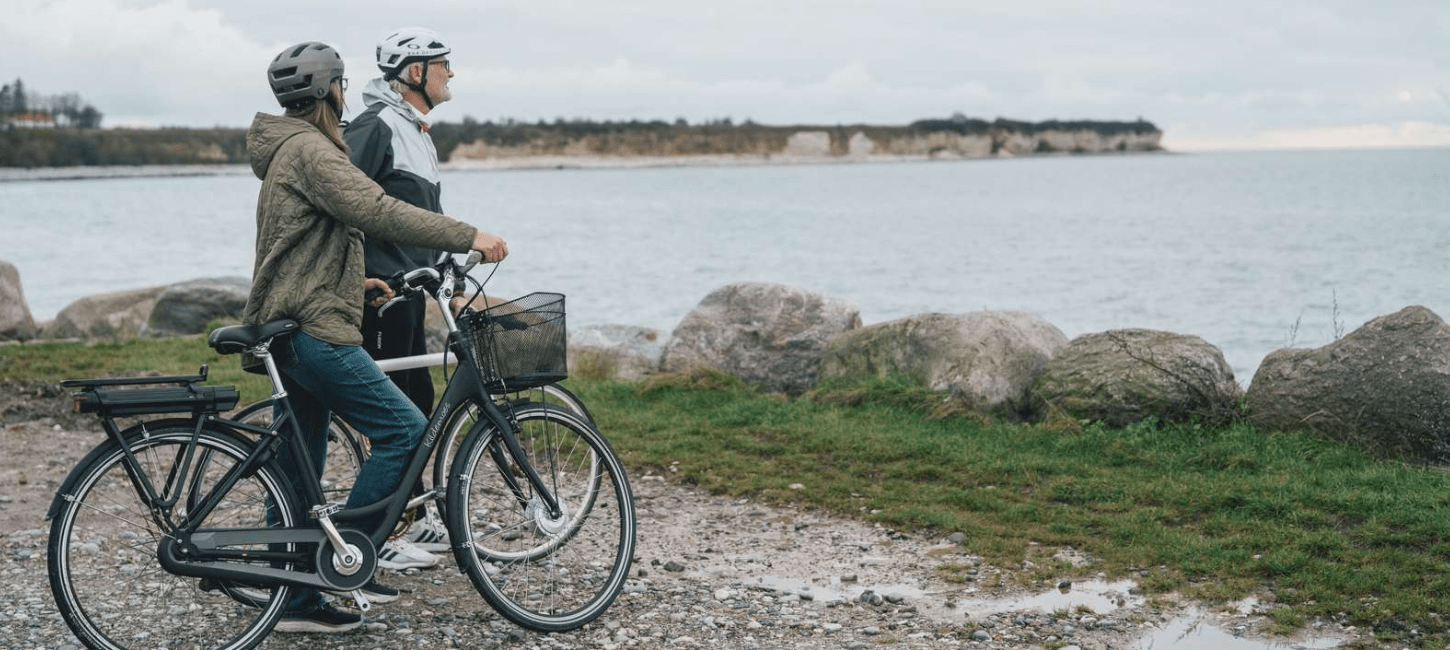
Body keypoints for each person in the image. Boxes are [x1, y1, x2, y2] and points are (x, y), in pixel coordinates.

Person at [246, 41, 507, 633]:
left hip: (295, 317)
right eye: (340, 82)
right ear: (328, 91)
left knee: (297, 465)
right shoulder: (312, 151)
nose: (346, 91)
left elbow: (304, 241)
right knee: (404, 430)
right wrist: (469, 235)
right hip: (314, 328)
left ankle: (291, 599)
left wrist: (355, 280)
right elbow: (377, 209)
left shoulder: (291, 150)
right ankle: (334, 563)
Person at [341, 26, 457, 569]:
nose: (451, 73)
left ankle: (406, 515)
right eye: (443, 64)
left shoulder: (413, 128)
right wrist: (362, 277)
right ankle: (376, 535)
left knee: (419, 400)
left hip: (410, 292)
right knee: (397, 412)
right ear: (415, 72)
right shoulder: (376, 126)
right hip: (380, 295)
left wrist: (444, 266)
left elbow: (417, 214)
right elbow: (343, 205)